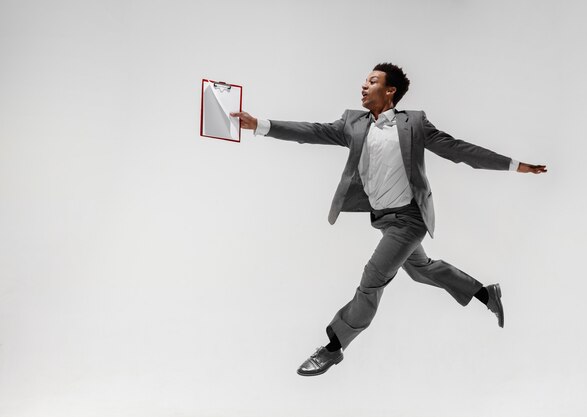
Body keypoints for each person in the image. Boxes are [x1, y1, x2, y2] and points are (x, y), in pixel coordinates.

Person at [230, 62, 547, 377]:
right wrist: (259, 124)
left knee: (372, 278)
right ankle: (486, 293)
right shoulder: (352, 123)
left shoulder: (415, 124)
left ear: (390, 90)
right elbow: (312, 132)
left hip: (410, 220)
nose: (363, 86)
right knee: (422, 270)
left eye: (371, 81)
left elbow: (459, 150)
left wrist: (516, 165)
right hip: (383, 219)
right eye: (364, 81)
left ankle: (334, 346)